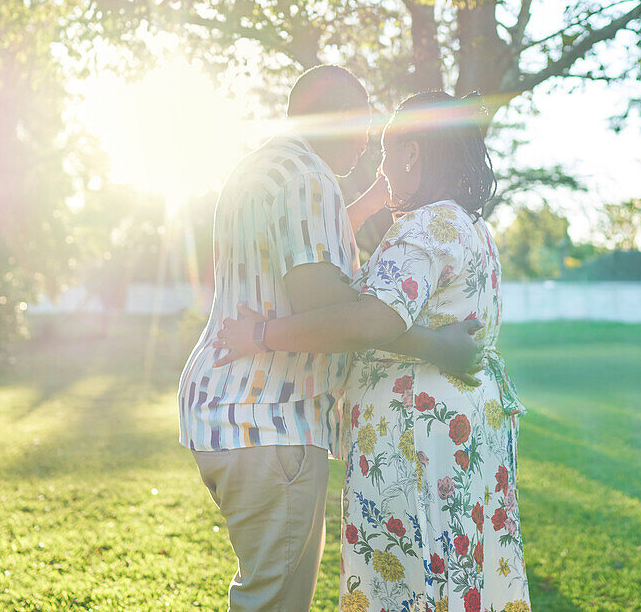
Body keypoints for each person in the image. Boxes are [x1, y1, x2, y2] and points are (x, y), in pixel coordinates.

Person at [178, 68, 481, 612]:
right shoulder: (309, 178)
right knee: (275, 603)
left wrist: (372, 201)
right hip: (272, 415)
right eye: (366, 128)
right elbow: (332, 310)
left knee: (263, 590)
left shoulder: (265, 167)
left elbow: (312, 240)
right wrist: (437, 346)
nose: (370, 148)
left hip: (225, 412)